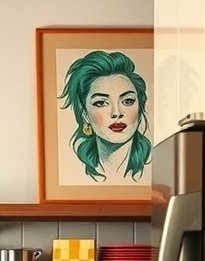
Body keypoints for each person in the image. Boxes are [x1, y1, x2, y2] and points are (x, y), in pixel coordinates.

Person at [59, 49, 151, 183]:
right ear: (85, 114)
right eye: (101, 103)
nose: (117, 113)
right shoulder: (73, 172)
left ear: (140, 107)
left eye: (127, 101)